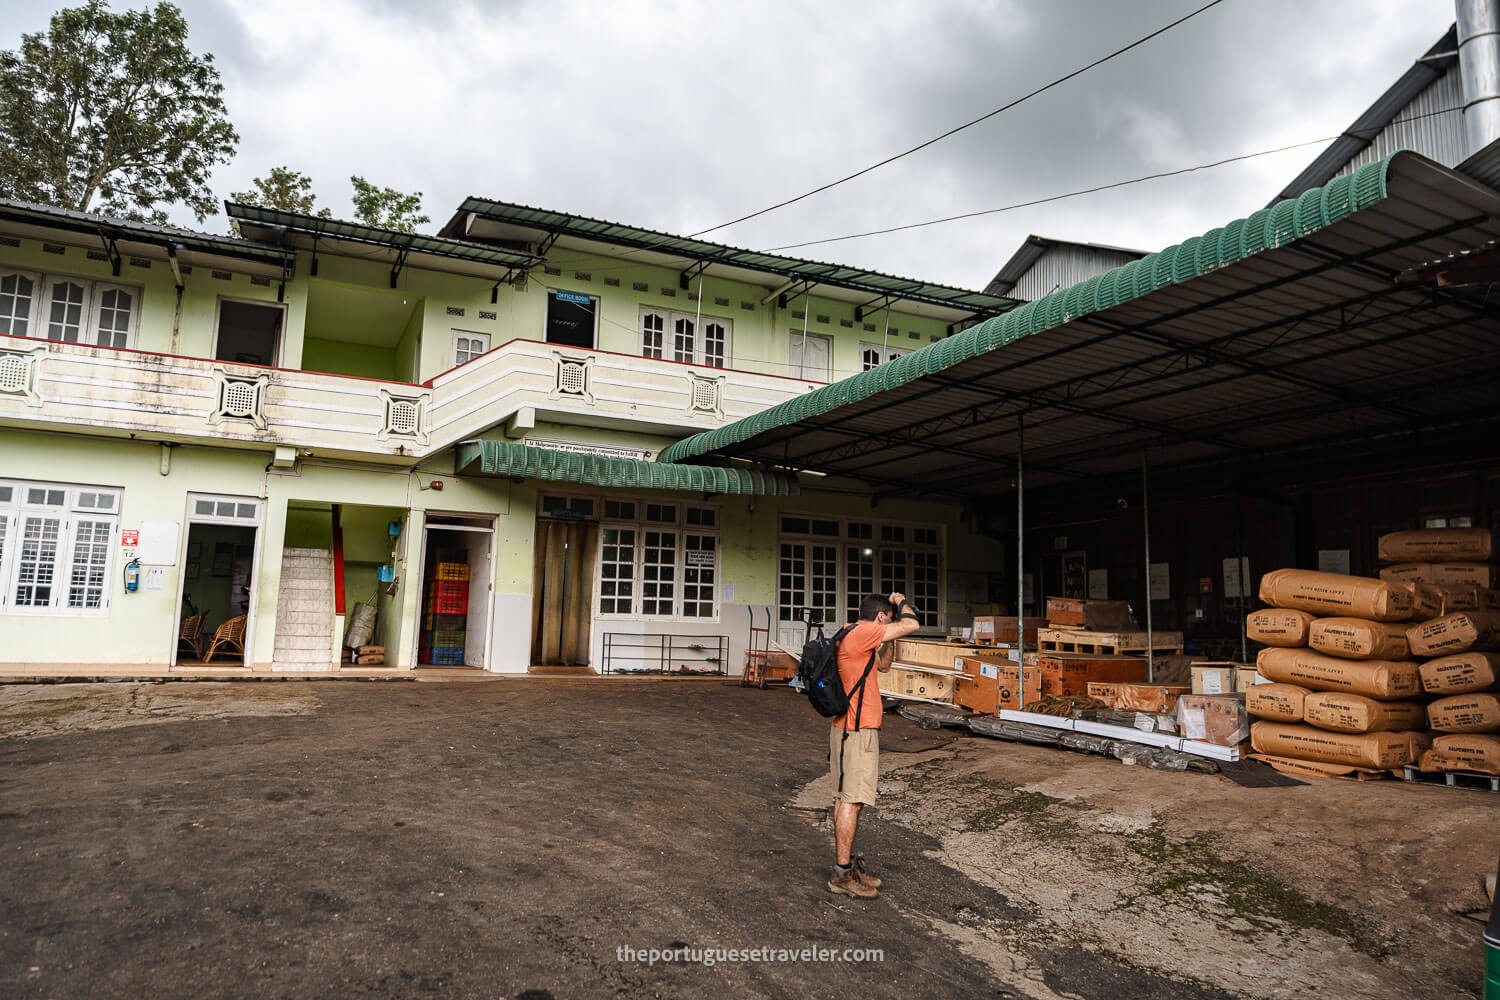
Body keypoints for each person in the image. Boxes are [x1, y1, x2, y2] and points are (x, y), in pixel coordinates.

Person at [826, 590, 921, 899]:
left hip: (847, 730)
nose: (890, 624)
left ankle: (846, 867)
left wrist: (887, 638)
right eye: (888, 620)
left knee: (847, 799)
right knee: (852, 801)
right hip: (857, 732)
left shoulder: (852, 631)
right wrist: (901, 602)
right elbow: (912, 625)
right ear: (881, 616)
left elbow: (883, 665)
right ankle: (841, 875)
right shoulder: (865, 631)